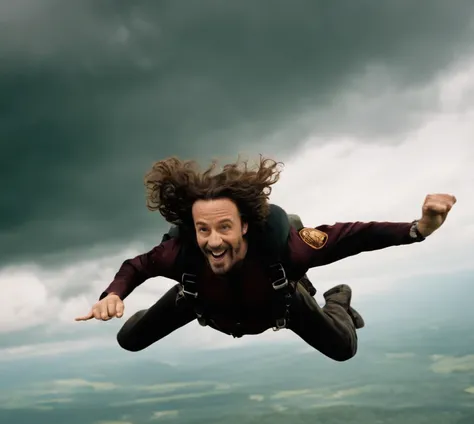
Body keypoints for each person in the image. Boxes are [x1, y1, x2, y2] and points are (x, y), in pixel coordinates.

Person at [75, 156, 456, 362]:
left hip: (281, 304)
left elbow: (354, 235)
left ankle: (337, 300)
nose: (213, 241)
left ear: (245, 226)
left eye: (224, 227)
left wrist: (419, 228)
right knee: (129, 339)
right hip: (200, 302)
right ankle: (157, 312)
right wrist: (115, 294)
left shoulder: (287, 249)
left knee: (344, 349)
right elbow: (137, 266)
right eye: (203, 230)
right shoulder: (182, 253)